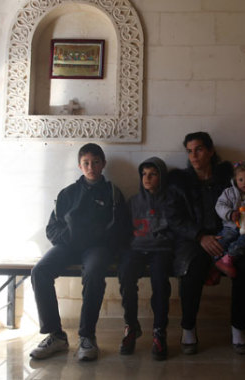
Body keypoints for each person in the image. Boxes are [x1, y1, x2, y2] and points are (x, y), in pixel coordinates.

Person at [168, 132, 245, 355]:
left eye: (199, 149)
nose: (194, 155)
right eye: (190, 151)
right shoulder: (180, 182)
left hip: (229, 235)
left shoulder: (229, 178)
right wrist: (200, 237)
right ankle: (188, 328)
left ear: (211, 151)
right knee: (191, 269)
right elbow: (175, 217)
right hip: (195, 239)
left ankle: (239, 328)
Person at [29, 143, 128, 362]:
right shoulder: (68, 193)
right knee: (39, 272)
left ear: (103, 164)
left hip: (97, 249)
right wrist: (67, 239)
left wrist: (101, 241)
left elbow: (120, 227)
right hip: (67, 247)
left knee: (94, 273)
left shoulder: (112, 192)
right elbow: (52, 228)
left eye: (95, 162)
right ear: (79, 165)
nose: (91, 167)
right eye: (86, 163)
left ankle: (87, 337)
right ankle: (56, 335)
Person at [117, 157, 187, 361]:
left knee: (160, 281)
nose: (147, 178)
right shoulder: (134, 201)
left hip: (161, 249)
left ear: (161, 177)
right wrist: (126, 248)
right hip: (137, 248)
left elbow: (178, 228)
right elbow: (125, 231)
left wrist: (170, 243)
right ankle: (131, 326)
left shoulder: (171, 200)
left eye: (152, 174)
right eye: (144, 174)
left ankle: (159, 331)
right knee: (125, 274)